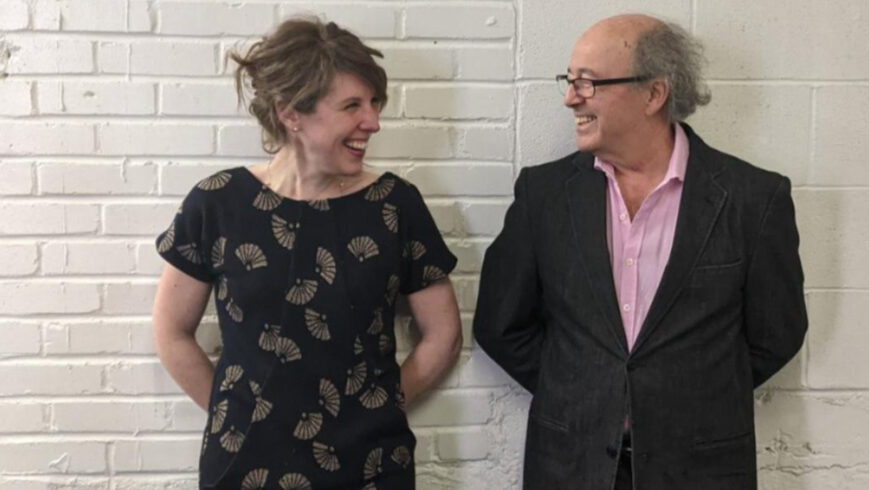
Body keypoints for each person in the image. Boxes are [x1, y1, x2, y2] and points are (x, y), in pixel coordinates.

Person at [474, 14, 807, 489]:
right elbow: (501, 324)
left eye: (588, 83)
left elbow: (777, 335)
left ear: (654, 94)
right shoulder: (543, 195)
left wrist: (683, 399)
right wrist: (586, 391)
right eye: (570, 81)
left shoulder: (753, 200)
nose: (571, 98)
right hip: (571, 468)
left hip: (701, 472)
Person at [151, 17, 462, 489]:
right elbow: (171, 331)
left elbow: (444, 334)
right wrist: (236, 416)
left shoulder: (395, 206)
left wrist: (377, 408)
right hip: (244, 469)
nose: (373, 122)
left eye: (374, 103)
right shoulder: (218, 203)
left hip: (371, 468)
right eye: (352, 105)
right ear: (290, 113)